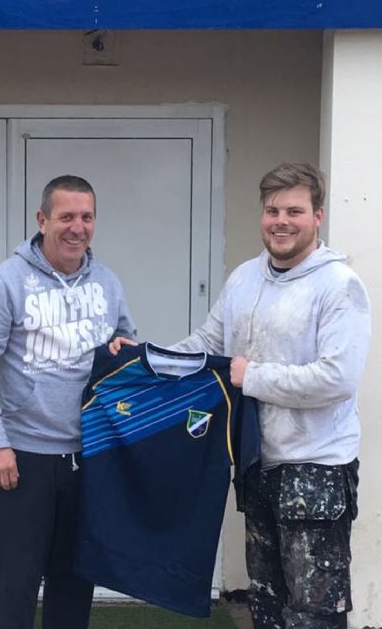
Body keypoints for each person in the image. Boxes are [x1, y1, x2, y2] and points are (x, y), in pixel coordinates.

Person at [110, 161, 371, 629]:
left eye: (294, 210)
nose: (281, 221)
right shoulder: (245, 279)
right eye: (272, 210)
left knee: (313, 614)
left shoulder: (339, 286)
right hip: (256, 463)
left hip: (316, 470)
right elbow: (206, 346)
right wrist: (141, 358)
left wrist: (251, 377)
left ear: (318, 216)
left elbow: (337, 378)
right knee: (267, 606)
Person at [0, 174, 136, 629]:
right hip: (21, 460)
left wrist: (121, 348)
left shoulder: (108, 283)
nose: (78, 227)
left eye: (87, 217)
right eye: (66, 217)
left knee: (73, 588)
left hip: (87, 457)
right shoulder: (5, 282)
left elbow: (126, 344)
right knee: (13, 590)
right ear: (42, 220)